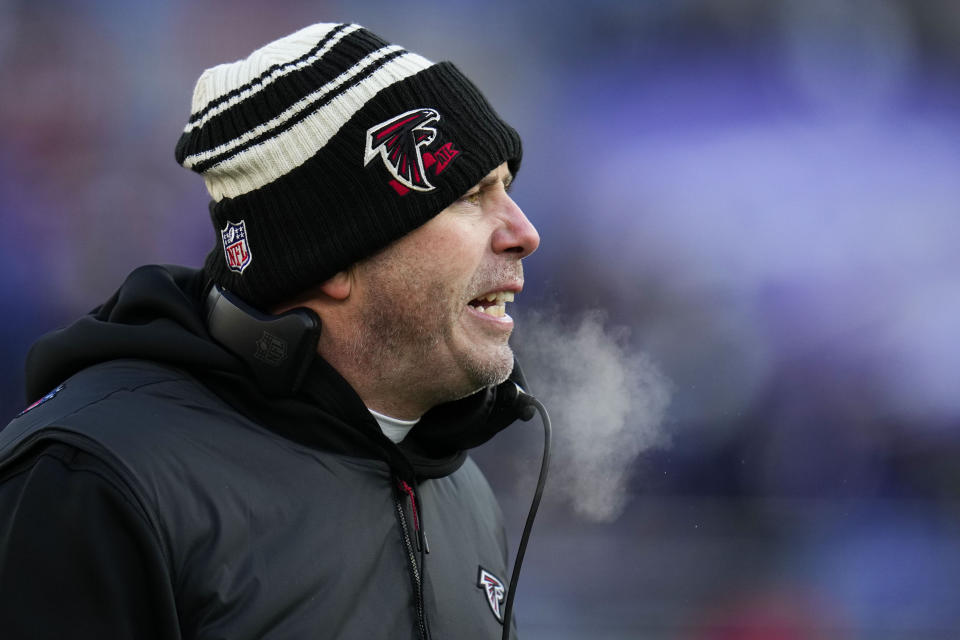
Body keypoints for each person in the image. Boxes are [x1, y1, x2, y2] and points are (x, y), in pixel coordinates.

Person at [0, 22, 540, 640]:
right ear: (333, 258)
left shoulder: (457, 486)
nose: (524, 231)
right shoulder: (92, 481)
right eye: (470, 195)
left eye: (507, 187)